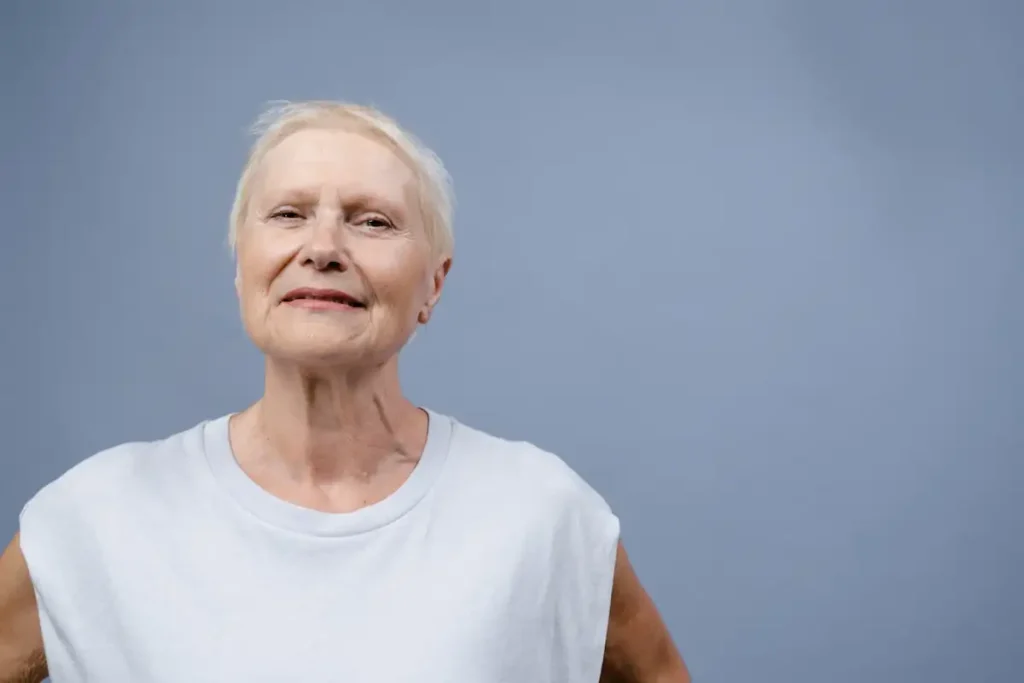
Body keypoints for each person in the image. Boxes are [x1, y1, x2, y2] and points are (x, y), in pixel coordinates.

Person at [0, 101, 690, 682]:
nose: (324, 246)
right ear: (242, 267)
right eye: (289, 215)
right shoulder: (94, 518)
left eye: (373, 221)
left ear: (434, 284)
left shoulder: (541, 514)